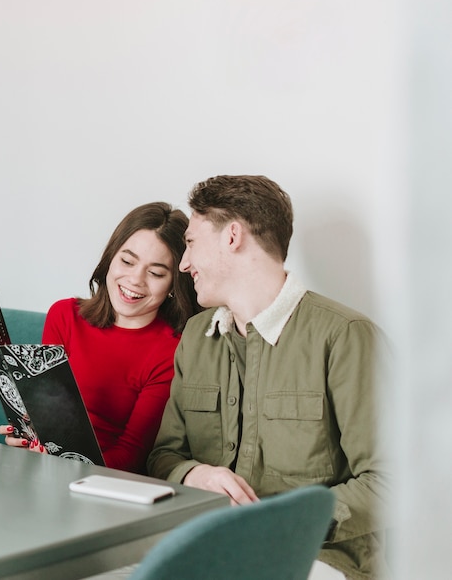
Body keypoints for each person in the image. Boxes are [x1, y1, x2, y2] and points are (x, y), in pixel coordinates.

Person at [147, 176, 391, 580]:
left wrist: (281, 526)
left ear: (232, 236)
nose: (184, 263)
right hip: (207, 546)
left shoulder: (345, 336)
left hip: (316, 557)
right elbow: (163, 456)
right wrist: (196, 474)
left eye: (190, 243)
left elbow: (389, 482)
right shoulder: (195, 336)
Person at [0, 202, 201, 474]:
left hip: (104, 481)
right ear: (110, 259)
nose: (135, 279)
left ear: (173, 284)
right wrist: (26, 437)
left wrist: (65, 465)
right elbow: (45, 414)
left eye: (155, 273)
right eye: (127, 261)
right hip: (44, 471)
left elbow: (132, 455)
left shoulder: (172, 349)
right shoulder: (65, 315)